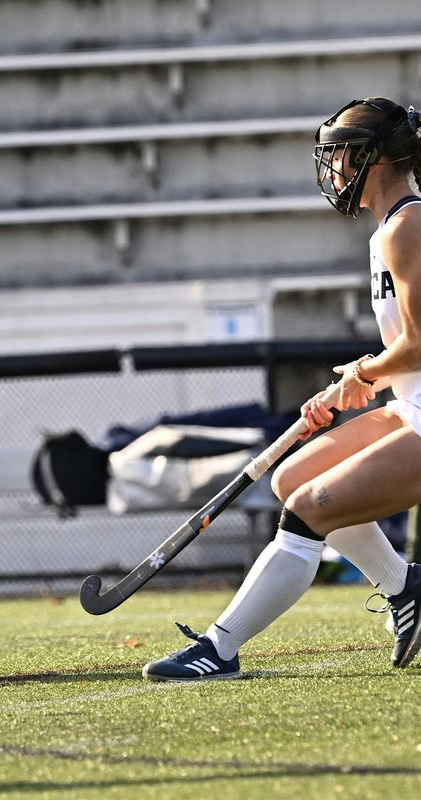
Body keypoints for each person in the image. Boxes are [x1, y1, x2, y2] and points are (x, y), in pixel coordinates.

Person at [143, 97, 421, 681]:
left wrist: (362, 374)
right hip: (411, 404)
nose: (334, 170)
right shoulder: (392, 229)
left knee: (307, 509)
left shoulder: (408, 227)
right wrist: (364, 375)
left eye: (342, 156)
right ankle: (406, 588)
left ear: (371, 161)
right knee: (290, 476)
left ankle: (220, 648)